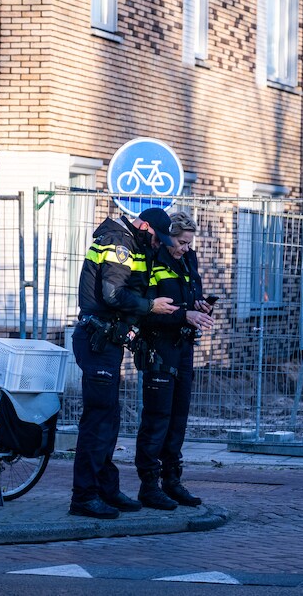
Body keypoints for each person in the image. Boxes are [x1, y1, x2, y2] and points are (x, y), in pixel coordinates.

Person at [70, 206, 179, 519]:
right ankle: (84, 496)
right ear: (143, 226)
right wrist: (150, 306)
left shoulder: (132, 243)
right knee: (98, 420)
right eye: (156, 238)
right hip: (97, 339)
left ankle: (106, 489)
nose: (157, 244)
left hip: (108, 341)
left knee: (110, 418)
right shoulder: (119, 242)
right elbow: (114, 294)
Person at [133, 210, 212, 510]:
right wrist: (184, 313)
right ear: (168, 239)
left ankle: (172, 481)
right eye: (181, 242)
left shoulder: (188, 260)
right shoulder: (153, 260)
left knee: (179, 416)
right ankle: (149, 486)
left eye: (189, 243)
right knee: (157, 418)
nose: (185, 248)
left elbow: (191, 292)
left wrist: (198, 305)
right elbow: (148, 308)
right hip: (159, 346)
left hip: (183, 346)